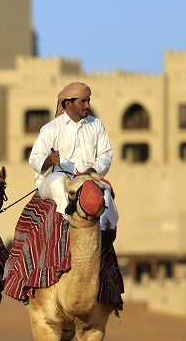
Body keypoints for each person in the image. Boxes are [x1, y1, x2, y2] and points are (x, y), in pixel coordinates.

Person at [28, 81, 118, 237]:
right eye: (83, 101)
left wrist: (92, 170)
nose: (87, 105)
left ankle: (102, 230)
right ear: (68, 104)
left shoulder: (96, 125)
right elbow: (34, 158)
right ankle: (68, 222)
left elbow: (106, 153)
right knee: (58, 182)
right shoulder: (51, 128)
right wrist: (49, 160)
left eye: (88, 100)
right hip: (55, 178)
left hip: (87, 177)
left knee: (105, 190)